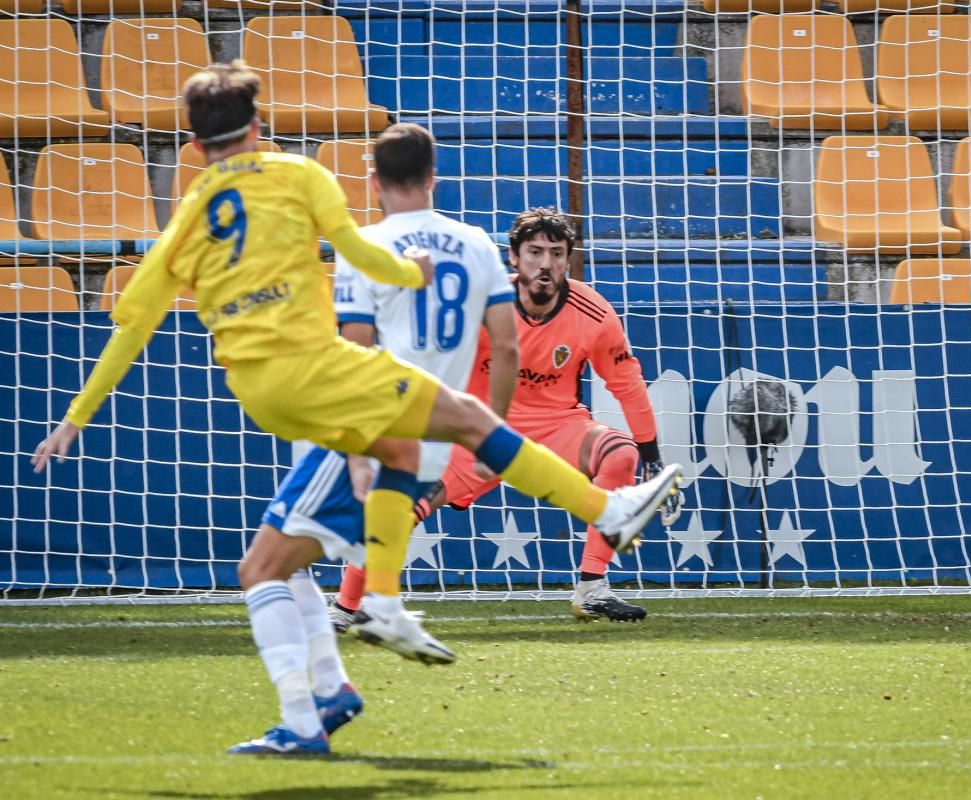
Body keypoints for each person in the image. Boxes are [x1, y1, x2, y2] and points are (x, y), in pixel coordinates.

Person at [30, 63, 682, 756]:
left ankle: (337, 681)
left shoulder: (188, 214)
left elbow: (133, 322)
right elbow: (353, 247)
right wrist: (409, 275)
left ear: (194, 150)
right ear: (258, 128)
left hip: (258, 388)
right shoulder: (299, 175)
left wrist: (77, 415)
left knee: (329, 517)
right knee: (456, 423)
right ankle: (401, 600)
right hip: (319, 375)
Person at [331, 208, 681, 626]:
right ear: (513, 258)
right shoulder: (480, 304)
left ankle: (592, 588)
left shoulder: (594, 314)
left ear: (569, 259)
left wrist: (652, 455)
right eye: (534, 252)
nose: (546, 263)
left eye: (556, 253)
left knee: (620, 455)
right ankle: (346, 608)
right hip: (478, 429)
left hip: (557, 426)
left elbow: (627, 382)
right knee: (399, 502)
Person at [267, 120, 522, 667]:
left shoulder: (364, 247)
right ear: (434, 176)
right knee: (307, 553)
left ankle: (316, 695)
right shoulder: (477, 243)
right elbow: (507, 349)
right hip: (435, 434)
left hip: (376, 422)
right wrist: (488, 432)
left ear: (374, 180)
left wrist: (357, 444)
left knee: (273, 564)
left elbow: (355, 351)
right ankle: (374, 613)